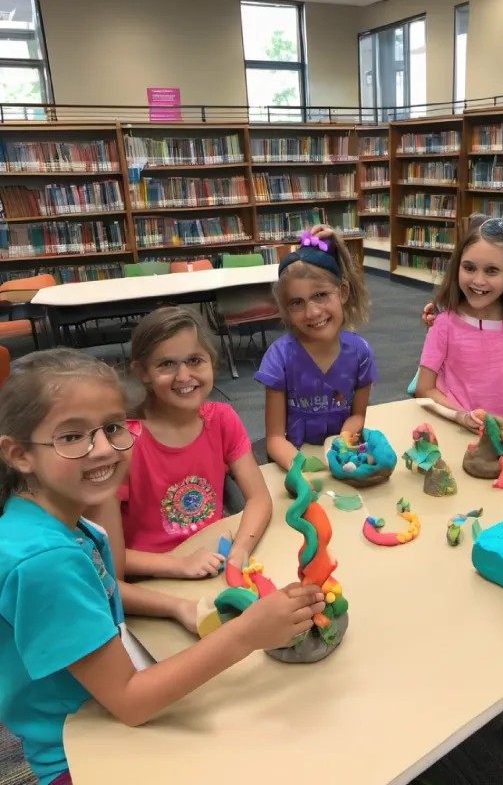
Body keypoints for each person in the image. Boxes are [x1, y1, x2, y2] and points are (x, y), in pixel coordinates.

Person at [0, 349, 324, 785]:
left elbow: (107, 587)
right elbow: (131, 702)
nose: (102, 449)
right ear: (19, 455)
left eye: (113, 428)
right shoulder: (46, 561)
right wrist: (247, 634)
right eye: (71, 437)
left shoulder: (57, 520)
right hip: (80, 754)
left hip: (99, 711)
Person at [93, 306, 272, 580]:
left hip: (213, 562)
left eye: (195, 360)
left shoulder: (222, 419)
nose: (184, 376)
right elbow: (107, 555)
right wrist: (180, 565)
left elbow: (259, 498)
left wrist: (240, 550)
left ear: (211, 362)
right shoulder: (122, 444)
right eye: (166, 364)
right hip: (152, 579)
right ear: (142, 372)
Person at [257, 224, 375, 470]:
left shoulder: (360, 353)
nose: (312, 312)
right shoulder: (279, 358)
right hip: (295, 458)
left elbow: (358, 416)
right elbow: (275, 439)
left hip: (342, 455)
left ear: (342, 292)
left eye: (321, 295)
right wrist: (304, 470)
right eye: (297, 303)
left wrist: (342, 442)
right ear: (286, 309)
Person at [414, 214, 503, 430]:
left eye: (492, 270)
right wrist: (462, 416)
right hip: (456, 429)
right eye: (469, 268)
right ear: (457, 267)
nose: (478, 281)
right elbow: (424, 389)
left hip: (502, 430)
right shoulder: (444, 325)